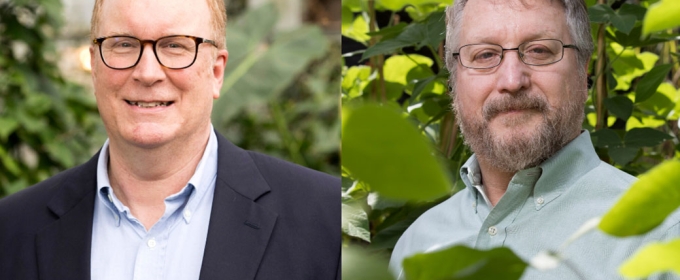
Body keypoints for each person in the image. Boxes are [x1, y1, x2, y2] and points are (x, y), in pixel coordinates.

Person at [0, 0, 339, 279]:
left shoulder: (326, 221)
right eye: (123, 44)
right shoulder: (12, 229)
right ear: (95, 65)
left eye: (175, 46)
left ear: (216, 72)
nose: (147, 73)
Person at [390, 0, 680, 279]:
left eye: (539, 50)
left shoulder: (664, 233)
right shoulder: (415, 244)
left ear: (583, 71)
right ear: (454, 80)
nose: (512, 81)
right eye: (485, 55)